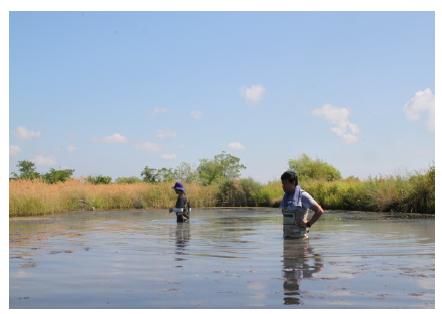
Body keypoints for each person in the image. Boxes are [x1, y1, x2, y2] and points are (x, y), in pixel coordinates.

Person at [280, 170, 324, 239]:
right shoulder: (286, 197)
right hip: (287, 240)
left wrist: (308, 224)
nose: (283, 186)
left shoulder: (303, 195)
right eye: (282, 184)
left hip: (300, 240)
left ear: (293, 182)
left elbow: (319, 211)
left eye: (285, 183)